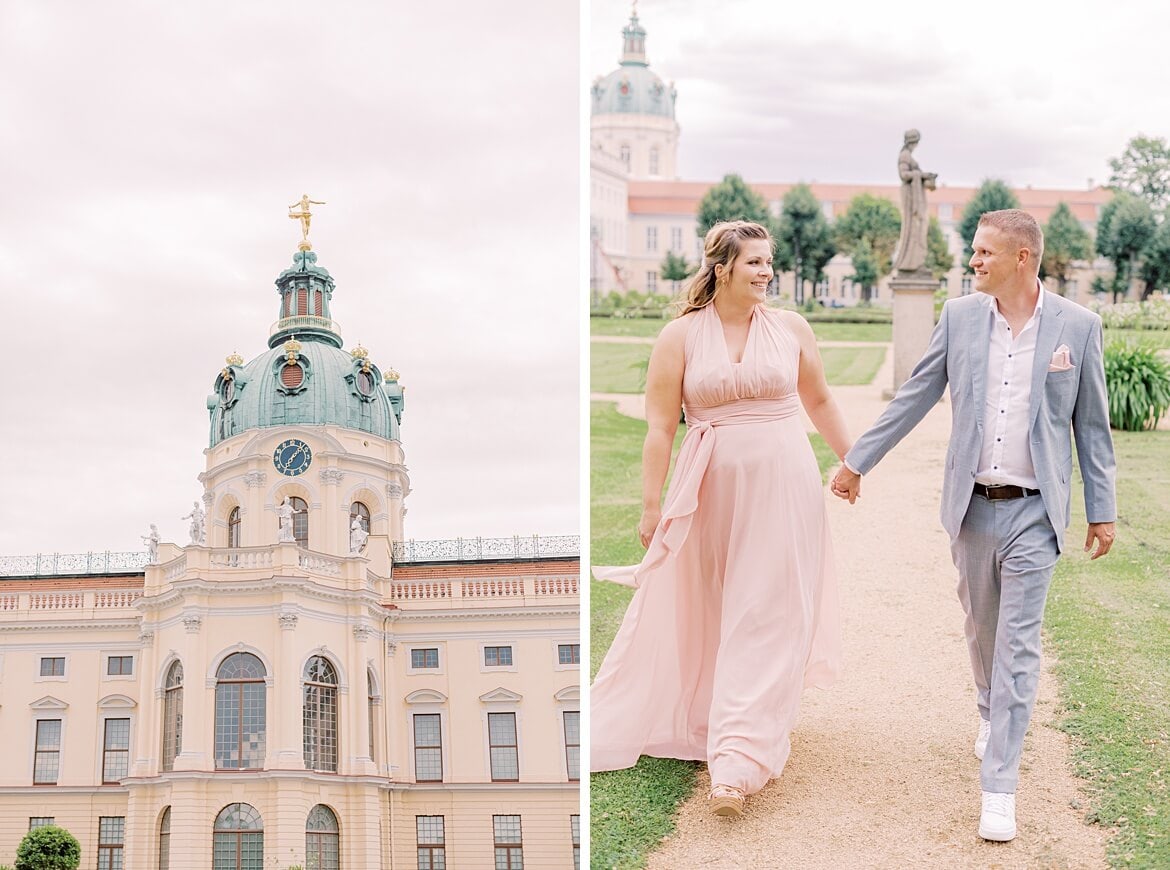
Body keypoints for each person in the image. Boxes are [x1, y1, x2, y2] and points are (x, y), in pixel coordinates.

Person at [832, 209, 1116, 842]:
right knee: (982, 630)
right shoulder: (961, 319)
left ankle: (1000, 787)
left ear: (1022, 258)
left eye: (985, 253)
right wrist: (856, 462)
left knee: (1019, 647)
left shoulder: (1078, 326)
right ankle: (990, 710)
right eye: (975, 252)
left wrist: (1103, 509)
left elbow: (1091, 428)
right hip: (972, 506)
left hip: (1036, 513)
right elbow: (914, 396)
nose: (974, 262)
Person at [591, 220, 851, 817]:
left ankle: (738, 759)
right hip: (707, 490)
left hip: (785, 487)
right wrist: (651, 505)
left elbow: (820, 400)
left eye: (768, 262)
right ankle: (713, 714)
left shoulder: (791, 328)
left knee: (768, 610)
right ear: (722, 267)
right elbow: (660, 427)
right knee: (710, 604)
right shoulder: (679, 337)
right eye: (754, 262)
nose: (766, 272)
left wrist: (851, 461)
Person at [892, 128, 938, 274]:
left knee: (918, 228)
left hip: (913, 192)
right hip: (911, 197)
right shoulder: (905, 155)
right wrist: (922, 174)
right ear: (914, 141)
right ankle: (909, 263)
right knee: (913, 227)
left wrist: (924, 176)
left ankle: (916, 262)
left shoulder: (907, 155)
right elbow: (904, 175)